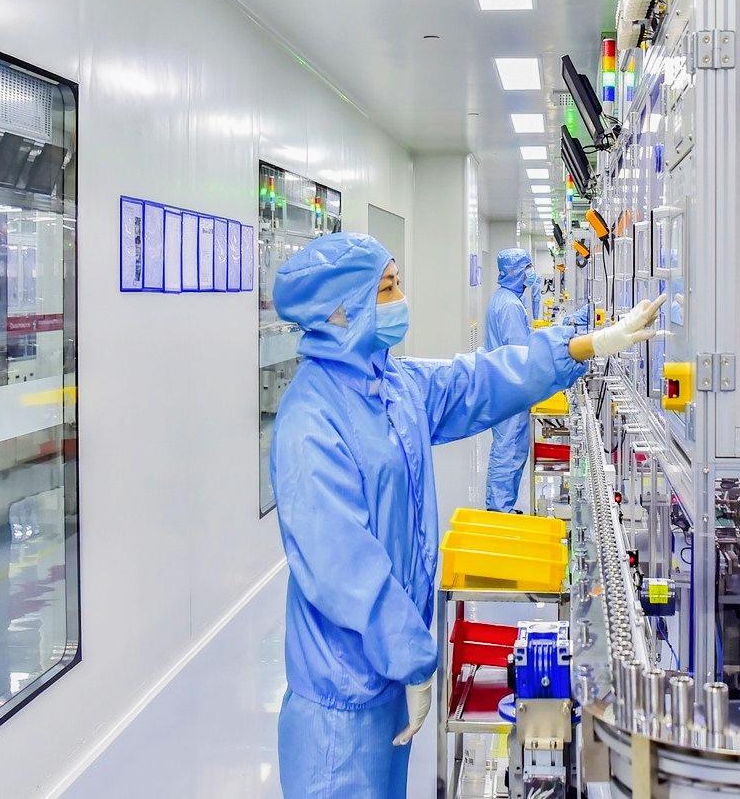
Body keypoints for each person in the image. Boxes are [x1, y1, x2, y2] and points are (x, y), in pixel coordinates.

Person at [268, 233, 662, 797]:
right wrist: (411, 658)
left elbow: (478, 380)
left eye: (398, 283)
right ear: (340, 310)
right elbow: (343, 568)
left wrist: (584, 346)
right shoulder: (310, 418)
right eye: (387, 289)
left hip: (383, 666)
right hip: (341, 688)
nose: (401, 298)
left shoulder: (392, 385)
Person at [483, 248, 537, 512]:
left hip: (503, 383)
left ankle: (502, 506)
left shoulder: (504, 298)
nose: (531, 273)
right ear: (515, 271)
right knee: (508, 448)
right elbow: (520, 351)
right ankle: (499, 509)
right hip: (509, 385)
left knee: (508, 447)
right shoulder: (510, 305)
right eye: (527, 268)